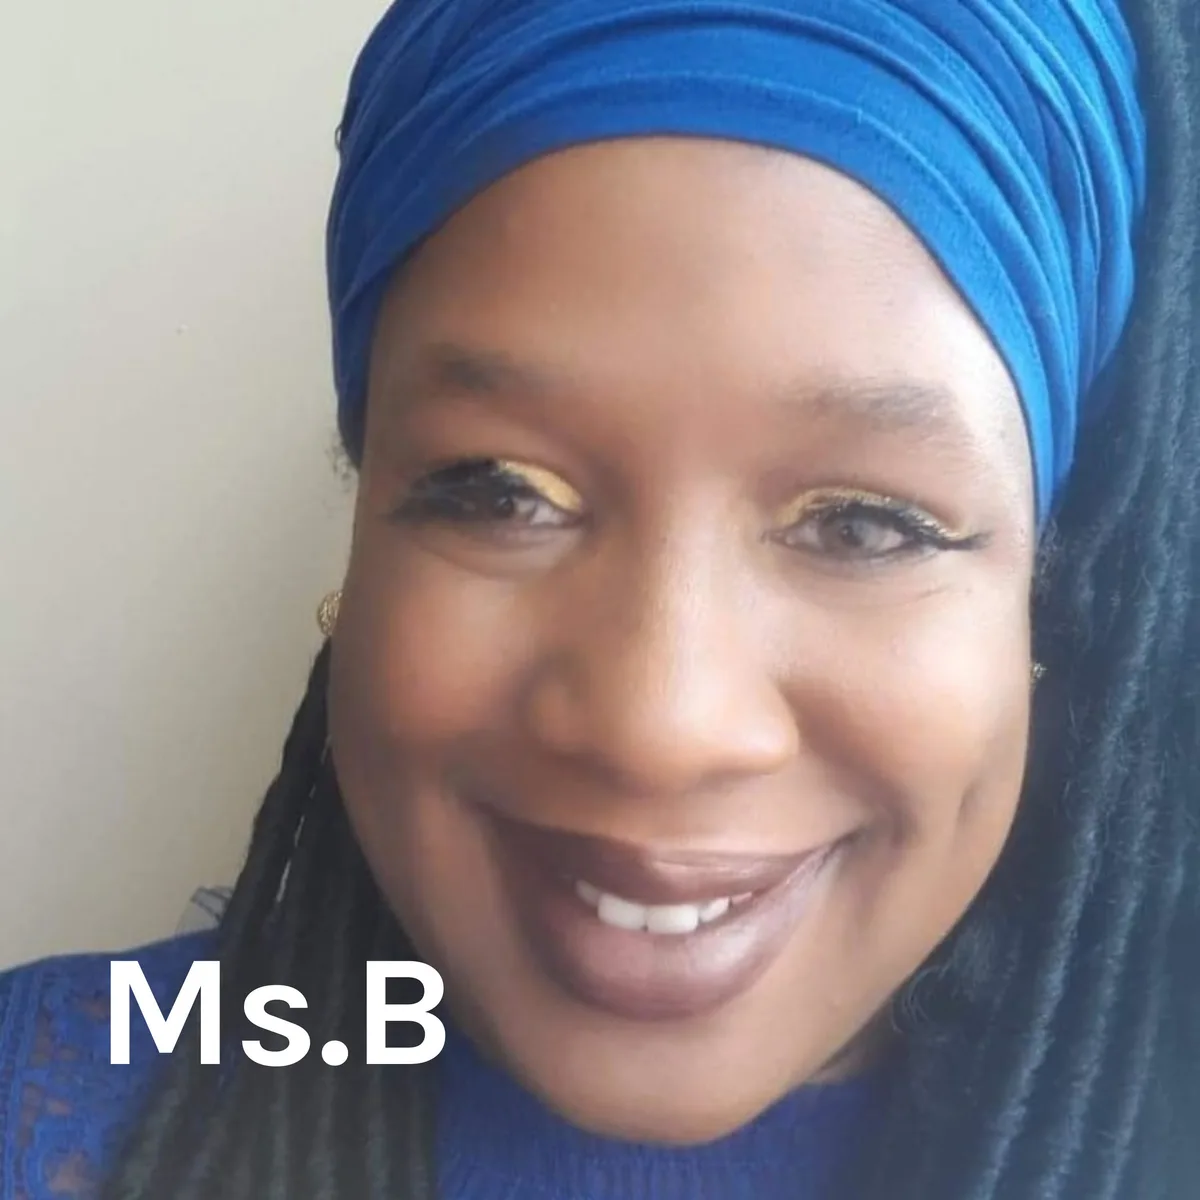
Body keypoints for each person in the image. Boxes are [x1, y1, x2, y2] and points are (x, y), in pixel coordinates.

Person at [2, 0, 1197, 1196]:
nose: (658, 727)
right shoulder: (50, 1101)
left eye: (863, 526)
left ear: (1047, 602)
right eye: (499, 493)